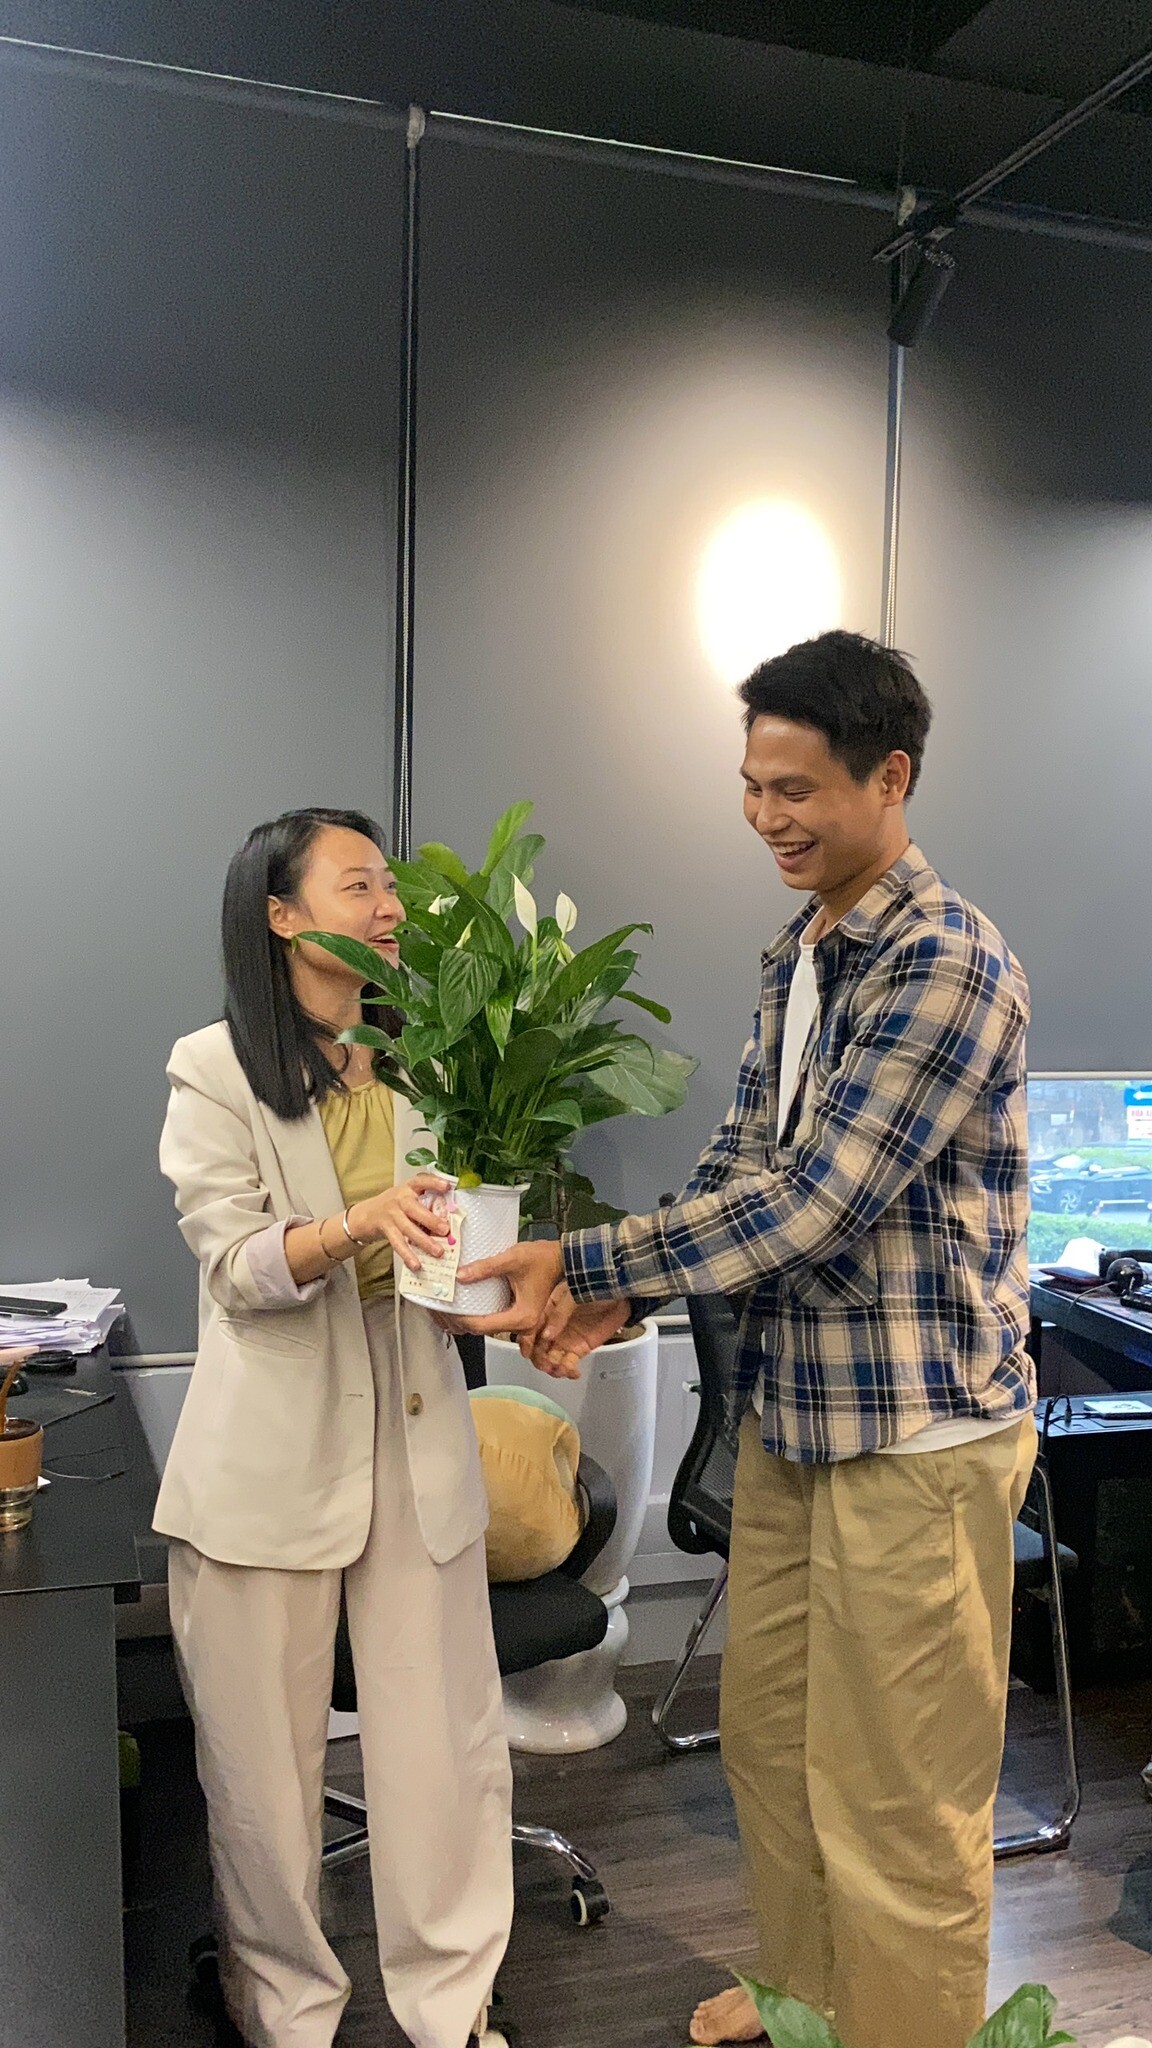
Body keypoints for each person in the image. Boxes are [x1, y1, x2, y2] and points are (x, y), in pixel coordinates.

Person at [452, 633, 1037, 2048]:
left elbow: (818, 1202)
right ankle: (810, 2000)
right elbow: (740, 1168)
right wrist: (620, 1297)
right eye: (753, 785)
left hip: (918, 1440)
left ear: (890, 777)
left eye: (798, 789)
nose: (768, 816)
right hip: (795, 1423)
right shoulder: (804, 954)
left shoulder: (947, 961)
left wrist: (589, 1258)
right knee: (772, 1750)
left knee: (898, 1802)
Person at [155, 807, 513, 2048]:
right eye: (359, 885)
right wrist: (360, 1222)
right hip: (268, 1460)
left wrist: (492, 1288)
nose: (390, 909)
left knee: (445, 1757)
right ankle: (287, 2011)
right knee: (261, 1774)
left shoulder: (433, 1065)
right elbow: (235, 1265)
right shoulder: (214, 1067)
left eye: (391, 888)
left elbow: (450, 1260)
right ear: (282, 913)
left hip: (416, 1441)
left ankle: (454, 2007)